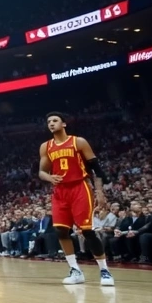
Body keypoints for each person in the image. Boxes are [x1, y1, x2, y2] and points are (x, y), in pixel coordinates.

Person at [38, 112, 114, 286]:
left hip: (80, 187)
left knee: (87, 231)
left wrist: (100, 191)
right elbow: (41, 171)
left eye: (55, 120)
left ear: (64, 124)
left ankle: (105, 271)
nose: (51, 123)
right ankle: (75, 270)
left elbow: (96, 167)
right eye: (48, 121)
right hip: (60, 191)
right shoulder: (45, 146)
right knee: (60, 231)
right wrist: (49, 178)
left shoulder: (78, 142)